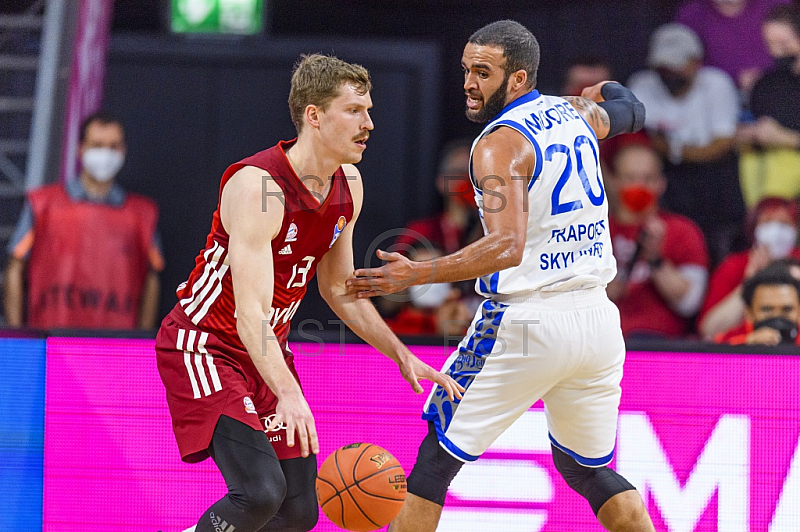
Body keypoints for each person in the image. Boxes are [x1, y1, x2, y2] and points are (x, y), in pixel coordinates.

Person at [348, 20, 654, 532]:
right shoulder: (576, 113)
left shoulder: (497, 145)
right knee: (585, 468)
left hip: (530, 320)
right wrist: (605, 90)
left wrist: (416, 274)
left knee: (434, 462)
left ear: (517, 79)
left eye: (483, 72)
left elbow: (508, 246)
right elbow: (634, 111)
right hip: (599, 323)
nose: (468, 82)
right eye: (466, 69)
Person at [154, 54, 463, 532]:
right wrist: (289, 392)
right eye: (355, 110)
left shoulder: (349, 185)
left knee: (298, 513)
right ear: (314, 116)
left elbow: (340, 290)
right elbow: (250, 315)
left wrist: (400, 354)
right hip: (205, 345)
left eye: (370, 109)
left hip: (265, 351)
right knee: (258, 493)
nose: (369, 123)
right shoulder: (259, 187)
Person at [3, 111, 163, 330]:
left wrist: (142, 339)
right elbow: (15, 266)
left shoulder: (142, 214)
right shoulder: (43, 204)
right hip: (52, 341)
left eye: (113, 146)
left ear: (123, 150)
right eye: (97, 145)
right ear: (81, 149)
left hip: (117, 348)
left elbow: (152, 277)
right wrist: (18, 336)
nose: (105, 153)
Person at [628, 22, 745, 266]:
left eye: (675, 67)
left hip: (714, 179)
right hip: (667, 180)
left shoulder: (716, 84)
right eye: (663, 68)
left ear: (695, 63)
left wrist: (672, 149)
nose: (669, 73)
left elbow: (723, 144)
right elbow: (641, 145)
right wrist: (681, 152)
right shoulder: (642, 85)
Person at [606, 141, 709, 338]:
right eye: (630, 178)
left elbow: (690, 303)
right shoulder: (594, 230)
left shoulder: (683, 232)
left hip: (660, 347)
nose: (639, 187)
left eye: (648, 179)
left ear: (661, 184)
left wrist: (656, 259)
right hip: (602, 341)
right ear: (615, 181)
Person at [698, 196, 800, 339]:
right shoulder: (733, 265)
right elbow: (709, 331)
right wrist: (749, 281)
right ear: (755, 229)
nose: (776, 231)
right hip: (745, 351)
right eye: (768, 223)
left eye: (784, 223)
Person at [737, 3, 800, 206]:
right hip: (759, 173)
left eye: (783, 44)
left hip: (789, 163)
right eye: (770, 44)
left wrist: (786, 139)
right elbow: (743, 127)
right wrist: (747, 133)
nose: (776, 52)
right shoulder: (766, 83)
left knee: (781, 161)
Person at [676, 0, 790, 93]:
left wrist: (768, 78)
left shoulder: (779, 5)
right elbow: (682, 70)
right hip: (716, 99)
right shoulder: (691, 14)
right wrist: (732, 79)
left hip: (782, 93)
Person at [715, 261, 800, 345]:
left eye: (787, 309)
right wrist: (747, 344)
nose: (776, 316)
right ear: (749, 313)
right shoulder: (728, 340)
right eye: (767, 309)